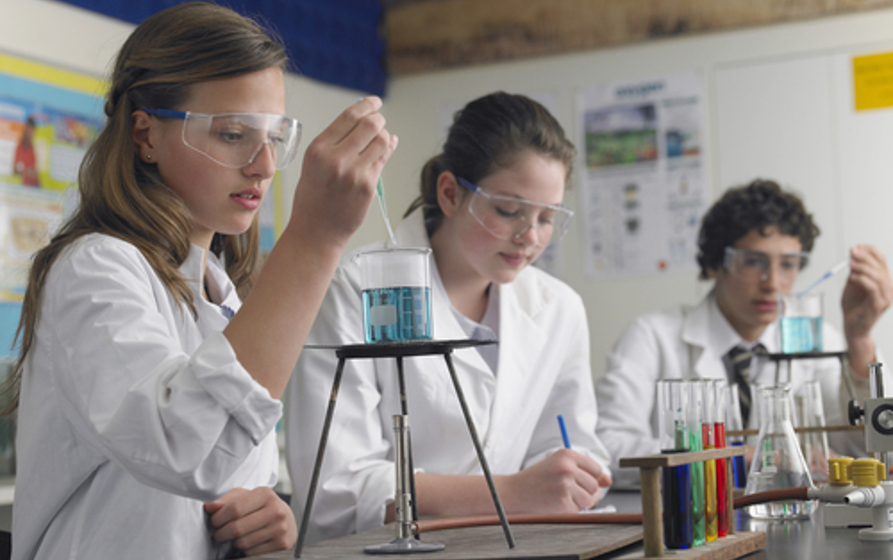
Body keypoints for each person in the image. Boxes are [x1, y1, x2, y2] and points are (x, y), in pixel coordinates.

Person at [6, 3, 397, 559]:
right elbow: (183, 448)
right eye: (234, 134)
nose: (263, 165)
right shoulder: (94, 269)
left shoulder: (223, 294)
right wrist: (315, 238)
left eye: (274, 137)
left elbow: (221, 472)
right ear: (145, 135)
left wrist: (268, 516)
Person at [286, 92, 613, 543]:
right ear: (451, 194)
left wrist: (572, 477)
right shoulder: (355, 288)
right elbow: (335, 490)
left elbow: (569, 445)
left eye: (546, 218)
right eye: (509, 211)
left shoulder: (559, 308)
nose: (530, 237)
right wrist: (512, 493)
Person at [595, 179, 893, 488]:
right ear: (715, 264)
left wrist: (859, 337)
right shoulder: (652, 338)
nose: (773, 283)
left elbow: (866, 450)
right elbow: (609, 446)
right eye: (753, 262)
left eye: (789, 264)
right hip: (691, 523)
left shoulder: (818, 340)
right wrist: (739, 457)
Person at [13, 116, 39, 187]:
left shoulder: (32, 147)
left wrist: (33, 173)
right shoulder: (20, 147)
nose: (31, 134)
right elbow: (15, 170)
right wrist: (26, 172)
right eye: (30, 131)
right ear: (26, 130)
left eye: (33, 131)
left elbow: (34, 169)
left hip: (34, 184)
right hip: (24, 186)